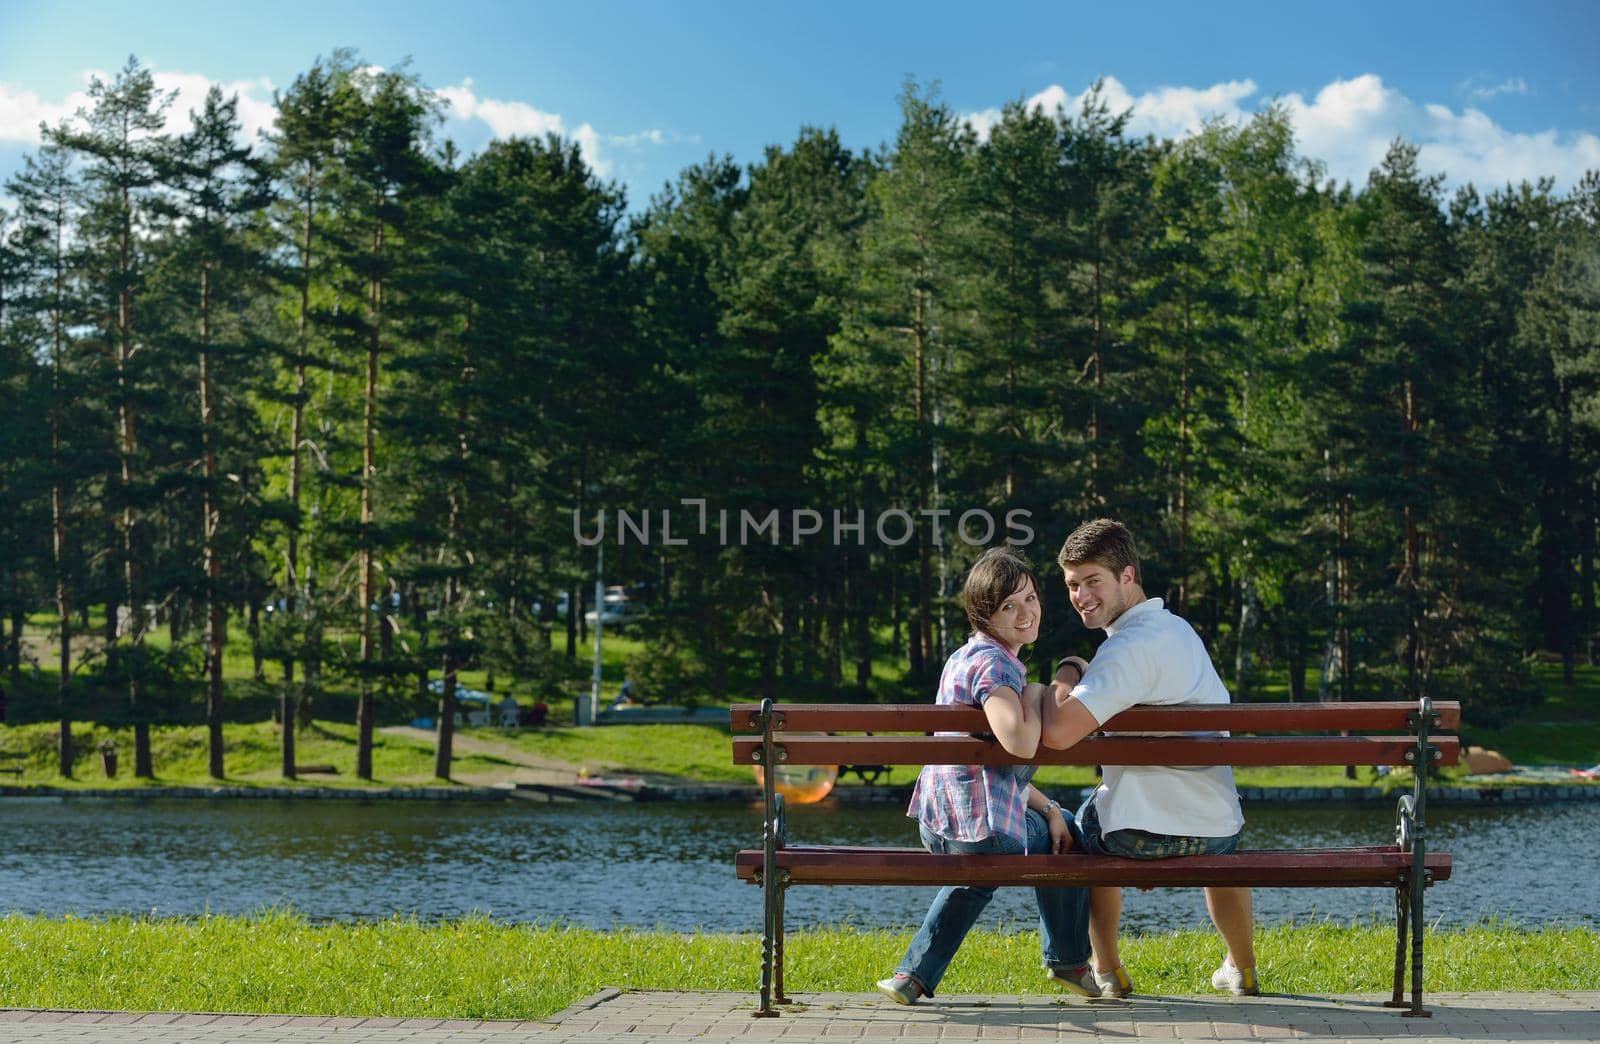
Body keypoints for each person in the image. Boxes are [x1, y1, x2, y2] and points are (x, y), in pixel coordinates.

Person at [1040, 518, 1258, 999]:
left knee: (1081, 825)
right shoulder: (1179, 632)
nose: (1081, 595)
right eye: (1072, 584)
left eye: (1092, 581)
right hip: (1216, 834)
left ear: (1127, 576)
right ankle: (1241, 967)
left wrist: (1067, 672)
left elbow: (1057, 734)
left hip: (1134, 837)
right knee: (1220, 838)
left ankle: (1107, 969)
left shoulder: (1126, 651)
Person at [876, 546, 1099, 1005]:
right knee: (1070, 840)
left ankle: (912, 976)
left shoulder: (963, 657)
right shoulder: (997, 666)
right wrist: (1038, 694)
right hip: (979, 828)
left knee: (992, 862)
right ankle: (1071, 962)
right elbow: (1018, 742)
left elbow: (993, 772)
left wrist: (1050, 808)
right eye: (1008, 606)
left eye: (1031, 599)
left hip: (939, 822)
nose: (1025, 613)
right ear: (984, 613)